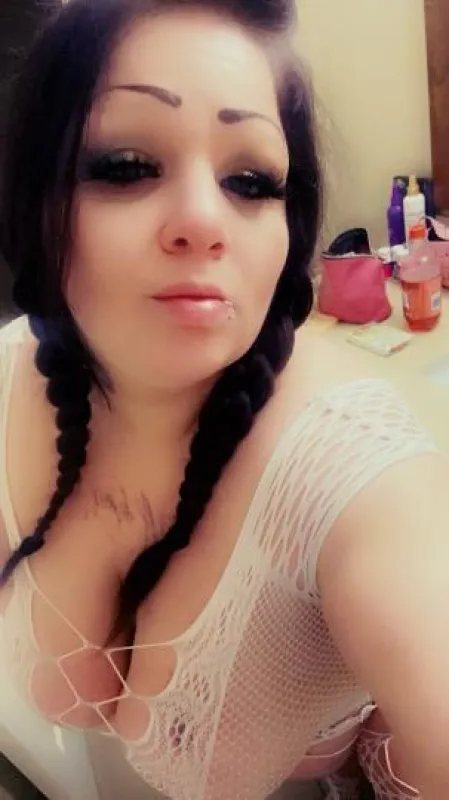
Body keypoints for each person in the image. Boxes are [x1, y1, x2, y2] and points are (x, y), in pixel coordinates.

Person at [0, 1, 448, 798]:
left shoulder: (356, 475)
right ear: (35, 198)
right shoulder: (8, 377)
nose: (204, 222)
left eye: (249, 182)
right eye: (127, 165)